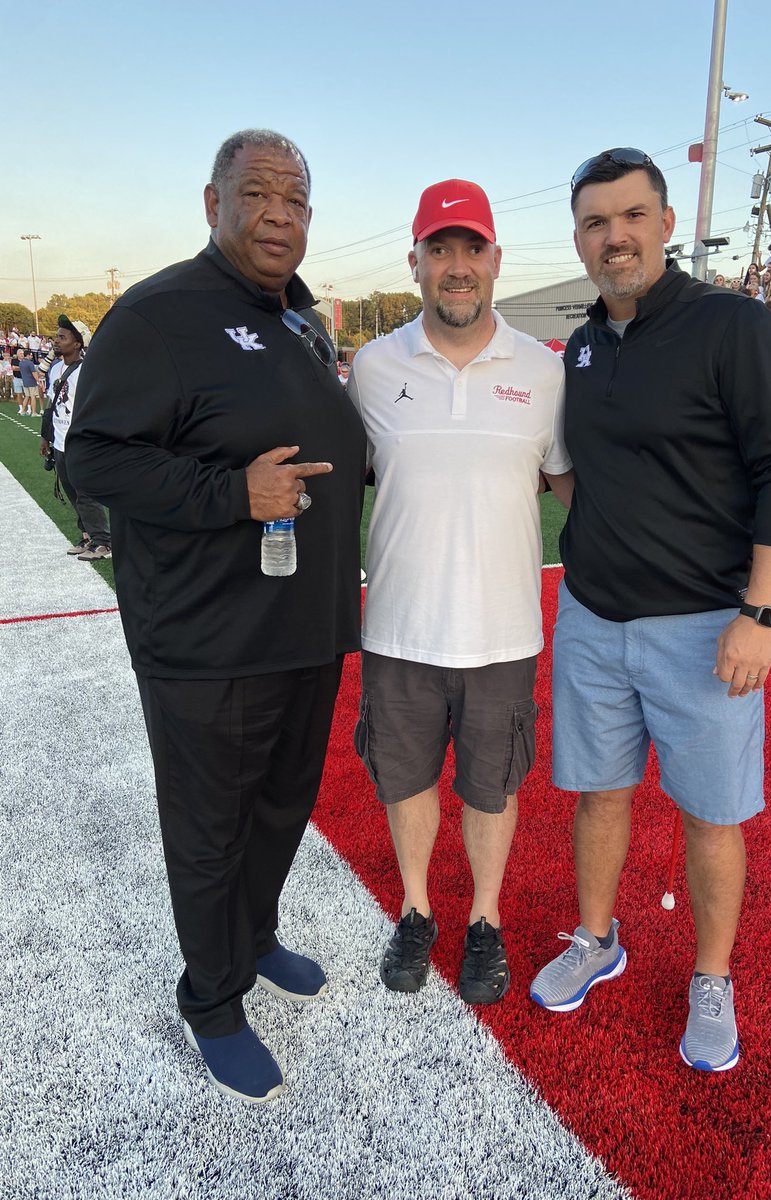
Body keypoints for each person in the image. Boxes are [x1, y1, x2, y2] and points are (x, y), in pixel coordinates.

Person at [66, 129, 366, 1104]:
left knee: (282, 807)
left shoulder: (297, 318)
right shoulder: (158, 315)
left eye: (298, 199)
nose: (280, 214)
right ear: (213, 203)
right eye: (260, 194)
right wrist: (230, 495)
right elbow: (94, 460)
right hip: (208, 639)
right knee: (210, 827)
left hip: (306, 629)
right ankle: (212, 1000)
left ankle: (257, 935)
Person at [529, 147, 771, 1073]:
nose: (615, 237)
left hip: (704, 626)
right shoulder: (581, 343)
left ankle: (712, 977)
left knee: (709, 815)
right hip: (593, 619)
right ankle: (597, 938)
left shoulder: (732, 325)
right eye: (596, 223)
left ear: (665, 224)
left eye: (632, 216)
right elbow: (587, 475)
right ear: (578, 238)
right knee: (599, 796)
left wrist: (760, 616)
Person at [347, 179, 572, 1006]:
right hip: (399, 628)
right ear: (415, 261)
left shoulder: (544, 374)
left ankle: (484, 919)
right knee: (404, 783)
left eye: (470, 248)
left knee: (491, 788)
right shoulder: (372, 367)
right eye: (439, 249)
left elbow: (574, 488)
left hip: (503, 633)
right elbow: (343, 484)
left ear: (495, 260)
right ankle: (415, 910)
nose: (456, 266)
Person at [39, 316, 112, 559]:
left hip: (81, 442)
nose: (56, 341)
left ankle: (103, 543)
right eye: (56, 336)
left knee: (86, 494)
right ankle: (87, 536)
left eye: (62, 337)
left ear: (78, 343)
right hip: (60, 441)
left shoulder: (87, 370)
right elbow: (51, 403)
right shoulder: (56, 368)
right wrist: (45, 437)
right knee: (72, 491)